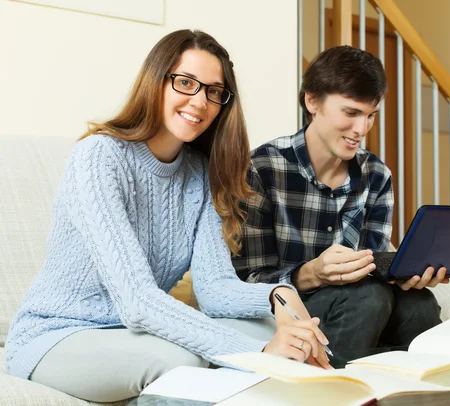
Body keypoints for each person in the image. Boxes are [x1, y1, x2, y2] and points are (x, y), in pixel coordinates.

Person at [5, 29, 330, 403]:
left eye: (213, 91)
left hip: (130, 334)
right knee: (182, 360)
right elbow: (138, 303)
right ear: (156, 81)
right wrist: (255, 355)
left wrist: (277, 294)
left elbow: (214, 290)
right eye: (185, 82)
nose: (200, 101)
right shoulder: (99, 158)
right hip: (57, 335)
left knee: (269, 331)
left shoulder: (198, 174)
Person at [233, 46, 448, 356]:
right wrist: (311, 273)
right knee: (368, 298)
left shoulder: (376, 174)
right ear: (312, 101)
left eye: (370, 115)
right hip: (292, 304)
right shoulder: (263, 168)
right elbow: (248, 280)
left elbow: (373, 267)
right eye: (351, 113)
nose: (361, 129)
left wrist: (405, 274)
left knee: (420, 304)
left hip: (363, 300)